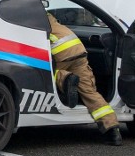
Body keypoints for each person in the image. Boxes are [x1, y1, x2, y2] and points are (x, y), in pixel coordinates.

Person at [47, 12, 122, 145]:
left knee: (44, 71)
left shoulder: (28, 13)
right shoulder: (47, 14)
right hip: (77, 49)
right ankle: (112, 130)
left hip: (58, 50)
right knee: (89, 92)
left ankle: (65, 79)